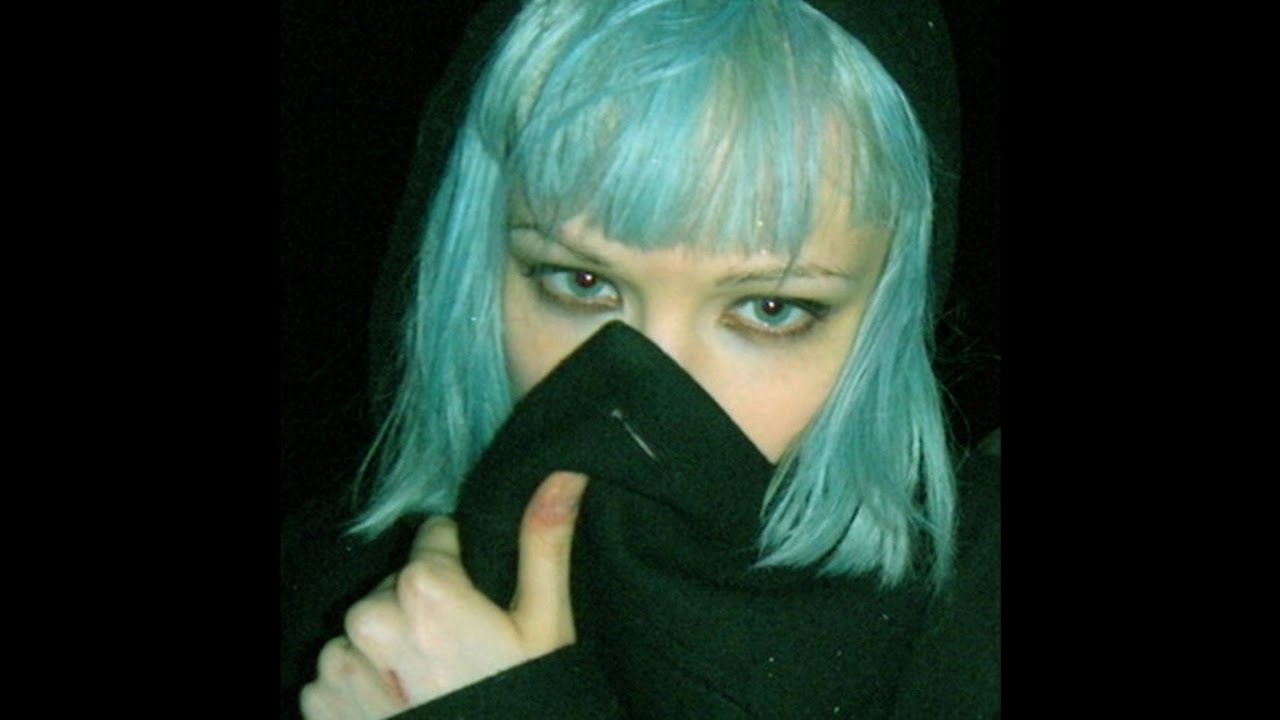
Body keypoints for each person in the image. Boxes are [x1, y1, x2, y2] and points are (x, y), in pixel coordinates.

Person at [282, 0, 999, 717]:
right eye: (582, 282)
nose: (642, 394)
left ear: (888, 312)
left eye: (769, 308)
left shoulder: (977, 614)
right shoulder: (331, 595)